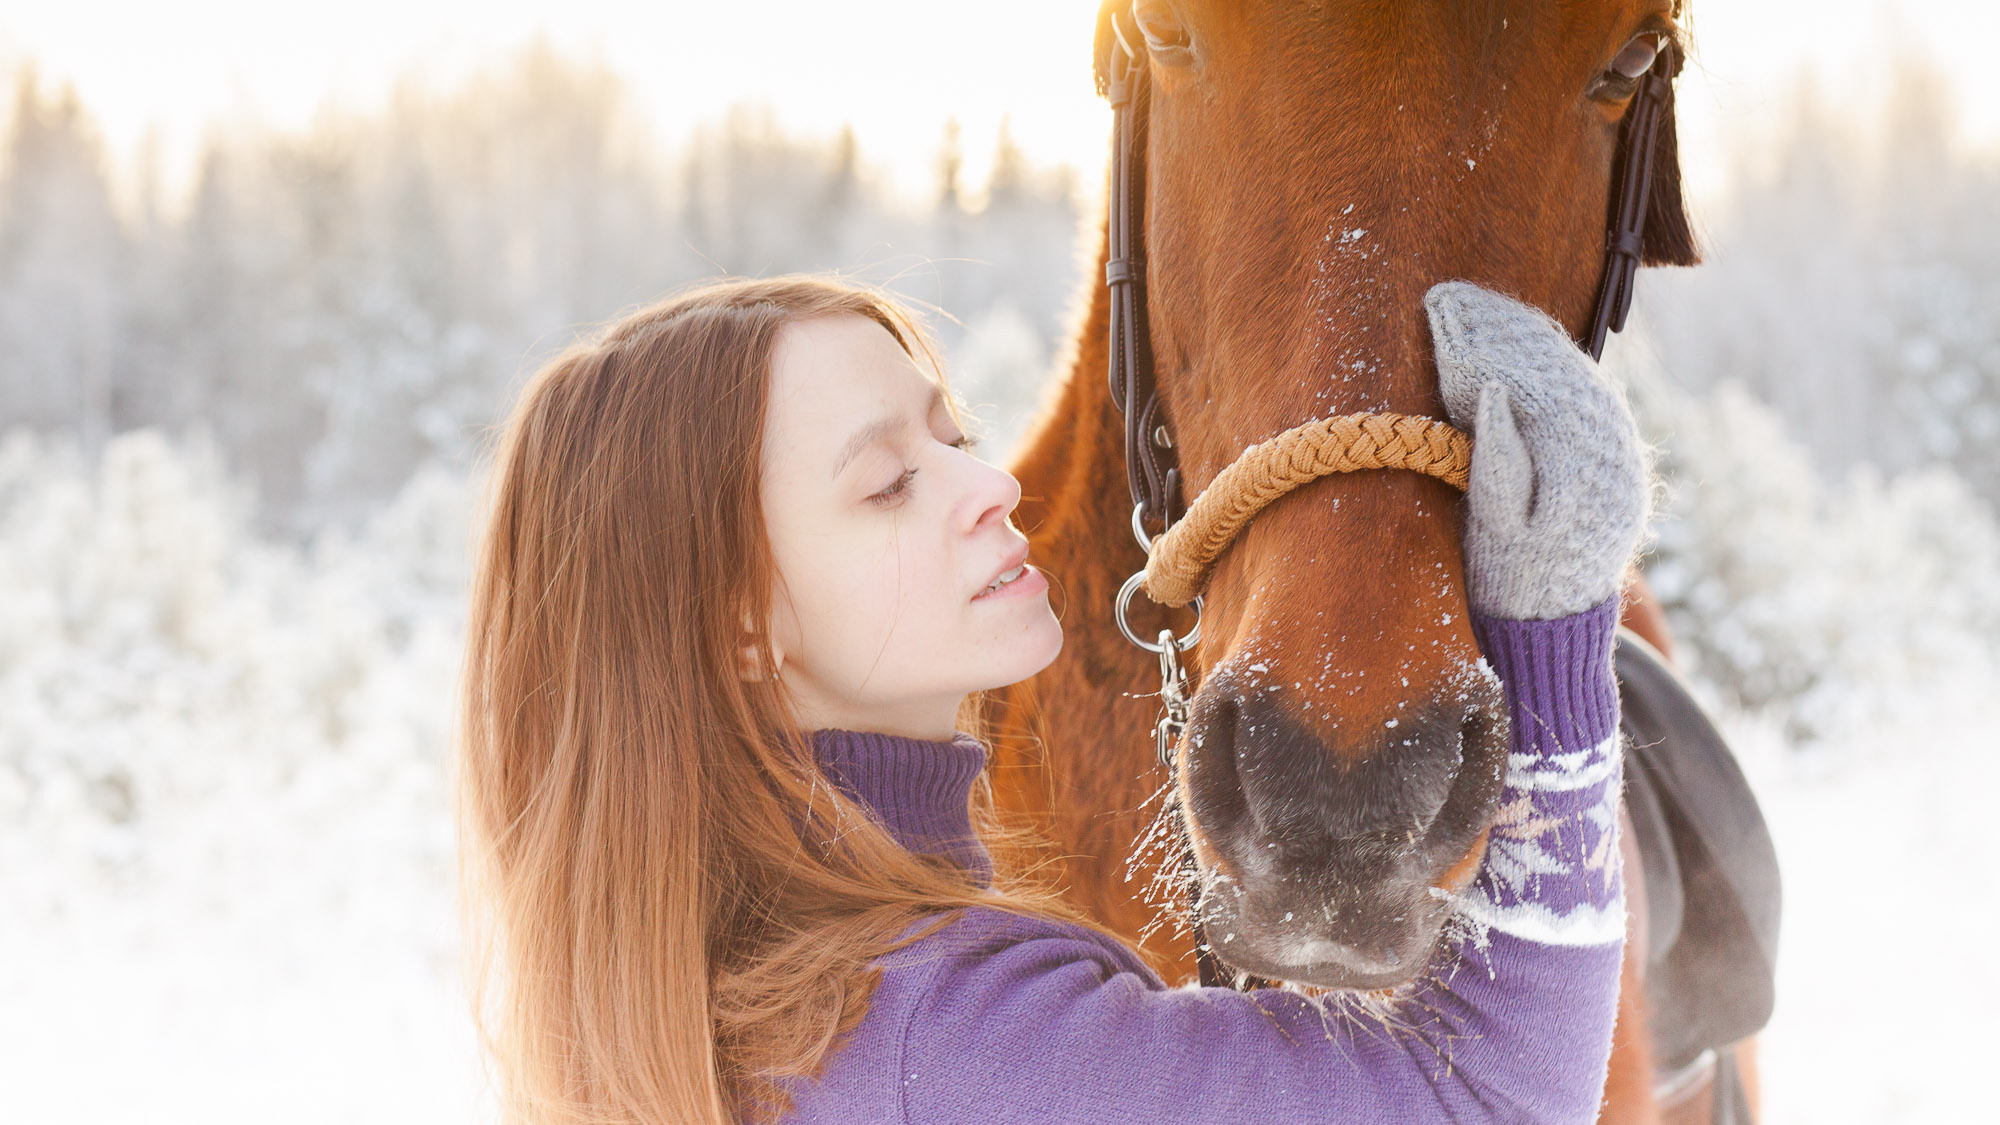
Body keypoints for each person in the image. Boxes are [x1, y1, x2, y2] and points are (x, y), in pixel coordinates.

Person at [455, 273, 1646, 1125]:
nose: (985, 483)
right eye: (887, 484)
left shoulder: (701, 1008)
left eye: (953, 433)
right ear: (737, 623)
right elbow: (1483, 1097)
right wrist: (1551, 645)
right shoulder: (948, 1042)